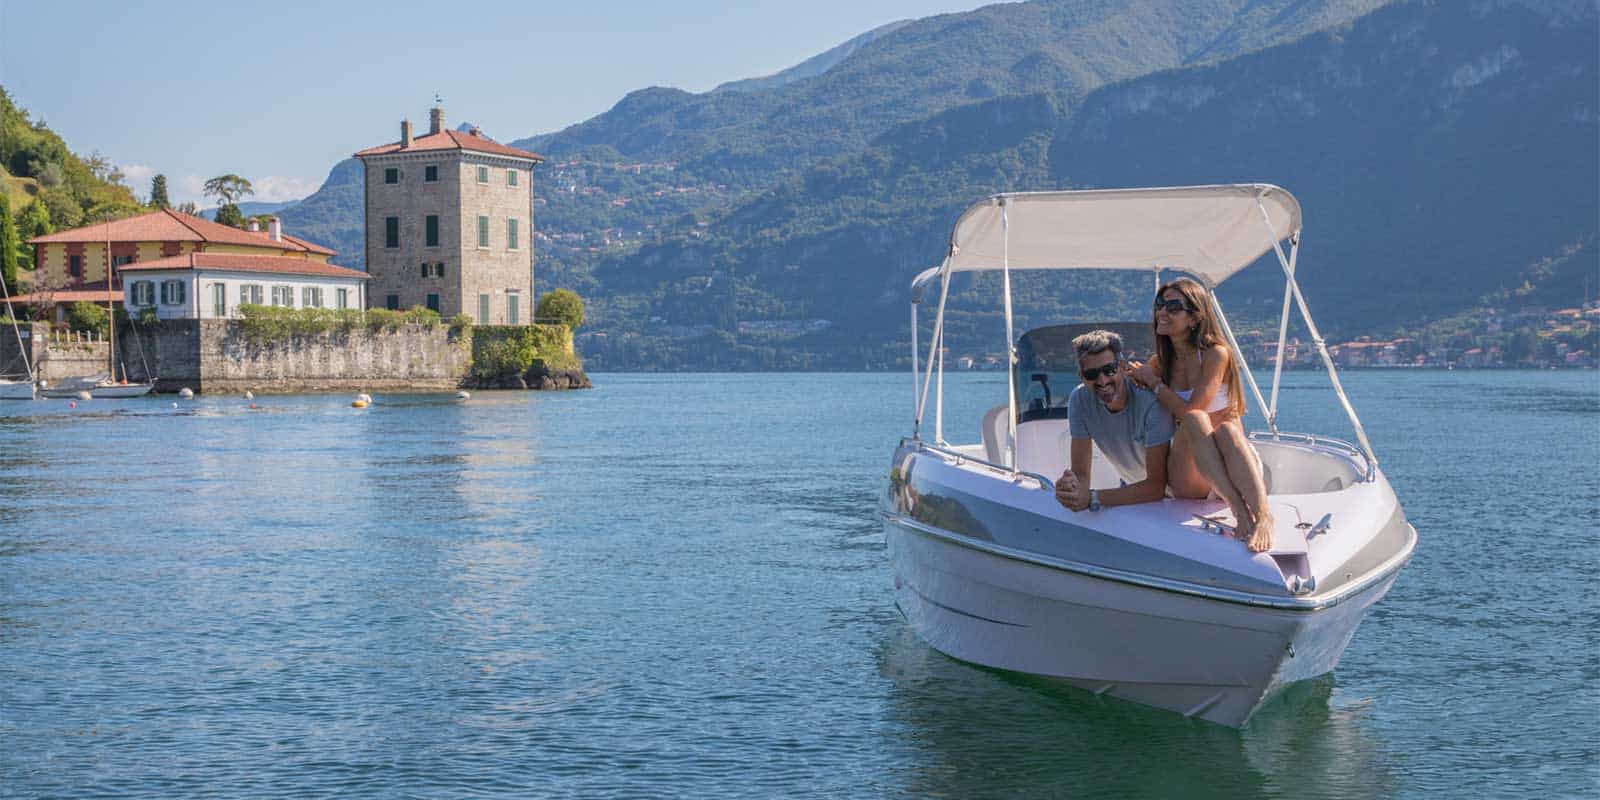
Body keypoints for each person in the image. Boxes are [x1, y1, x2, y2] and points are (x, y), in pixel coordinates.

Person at [1128, 278, 1274, 552]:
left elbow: (1192, 407)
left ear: (1195, 317)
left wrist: (1155, 384)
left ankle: (1263, 516)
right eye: (1160, 305)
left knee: (1224, 427)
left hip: (1232, 465)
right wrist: (1139, 377)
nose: (1162, 312)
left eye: (1173, 306)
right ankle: (1239, 510)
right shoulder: (1160, 363)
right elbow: (1184, 412)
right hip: (1193, 475)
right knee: (1195, 421)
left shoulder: (1216, 354)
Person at [1054, 330, 1174, 514]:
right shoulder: (1079, 400)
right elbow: (1081, 474)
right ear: (1081, 375)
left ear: (1123, 367)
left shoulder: (1151, 404)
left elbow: (1156, 487)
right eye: (1091, 374)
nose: (1102, 381)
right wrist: (1072, 486)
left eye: (1109, 370)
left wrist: (1093, 497)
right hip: (1132, 489)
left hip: (1176, 499)